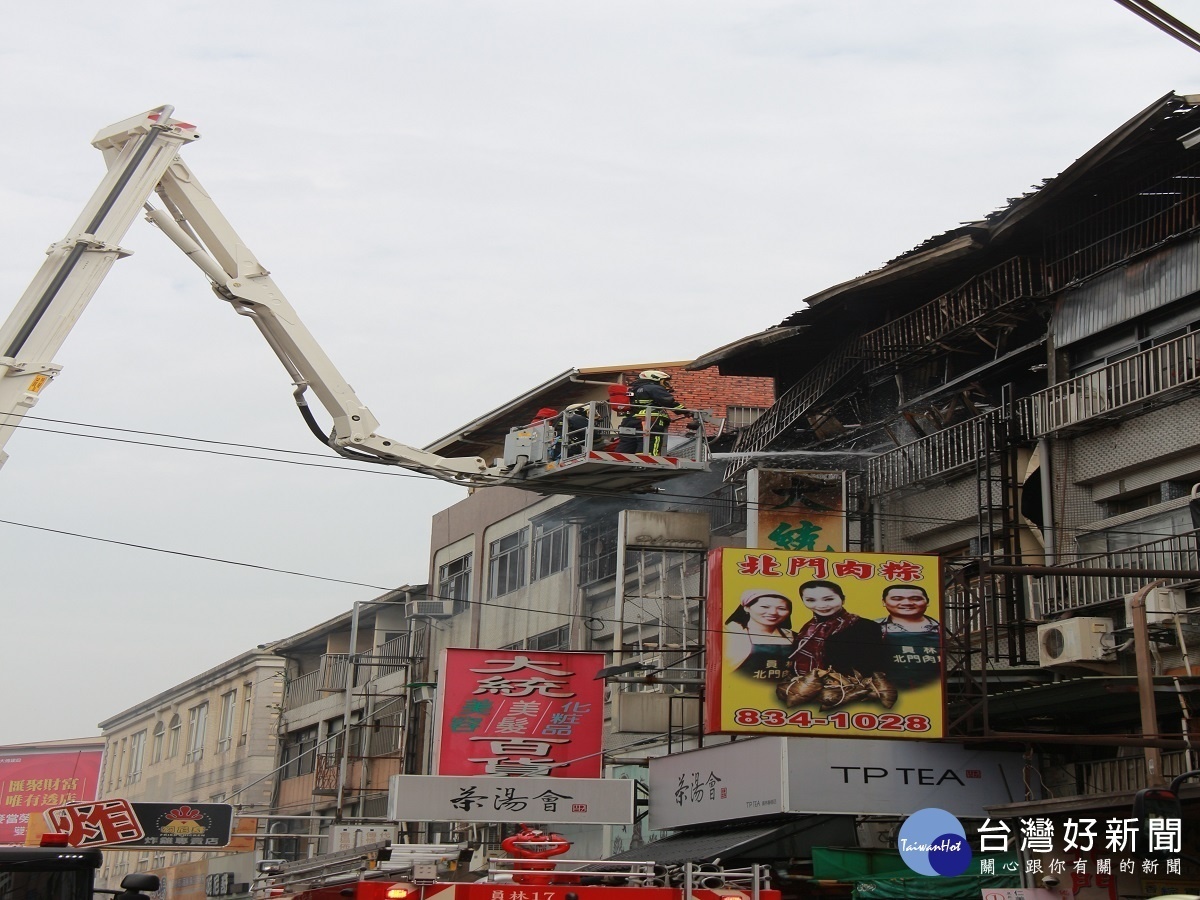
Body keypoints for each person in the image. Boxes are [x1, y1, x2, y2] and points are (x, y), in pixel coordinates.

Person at [789, 580, 888, 678]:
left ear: (843, 599)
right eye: (811, 600)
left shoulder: (866, 626)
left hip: (850, 690)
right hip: (806, 687)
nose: (821, 605)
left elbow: (873, 667)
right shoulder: (808, 628)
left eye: (828, 599)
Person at [875, 584, 941, 689]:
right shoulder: (871, 628)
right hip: (889, 691)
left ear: (927, 602)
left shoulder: (942, 629)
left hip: (934, 690)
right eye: (897, 599)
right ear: (884, 602)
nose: (907, 603)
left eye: (915, 599)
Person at [724, 589, 796, 681]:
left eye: (782, 608)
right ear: (746, 608)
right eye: (764, 607)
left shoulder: (796, 637)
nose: (773, 612)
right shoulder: (729, 634)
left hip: (787, 692)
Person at [616, 370, 688, 455]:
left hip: (629, 420)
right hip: (649, 421)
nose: (666, 384)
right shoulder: (654, 388)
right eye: (664, 381)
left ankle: (621, 462)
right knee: (650, 442)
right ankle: (648, 462)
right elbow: (668, 402)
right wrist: (685, 411)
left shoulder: (633, 388)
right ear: (655, 378)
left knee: (627, 443)